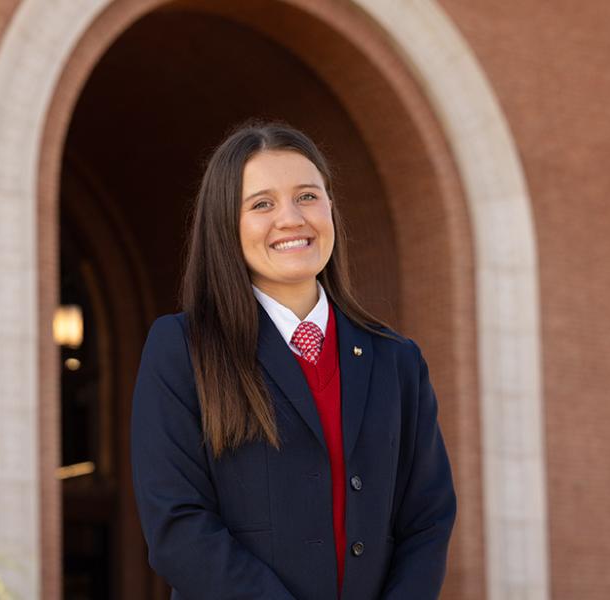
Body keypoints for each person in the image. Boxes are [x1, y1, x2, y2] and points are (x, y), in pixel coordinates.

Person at [131, 121, 456, 599]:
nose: (291, 219)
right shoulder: (182, 348)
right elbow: (177, 525)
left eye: (307, 196)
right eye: (262, 204)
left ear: (330, 209)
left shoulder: (397, 360)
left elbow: (427, 519)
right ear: (226, 225)